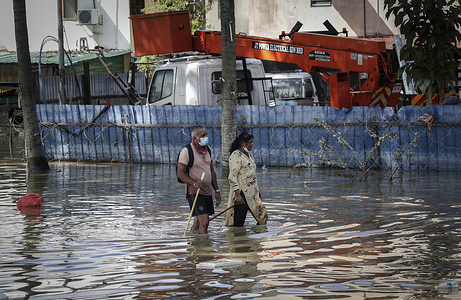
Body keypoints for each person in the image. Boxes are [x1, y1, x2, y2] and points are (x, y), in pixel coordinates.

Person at [177, 125, 221, 234]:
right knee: (204, 221)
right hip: (194, 191)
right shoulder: (186, 151)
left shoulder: (208, 150)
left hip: (207, 191)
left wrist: (217, 191)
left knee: (198, 221)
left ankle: (194, 241)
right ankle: (204, 247)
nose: (206, 137)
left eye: (206, 135)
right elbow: (180, 173)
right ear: (196, 138)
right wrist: (194, 183)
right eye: (203, 135)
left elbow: (211, 171)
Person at [225, 132, 267, 226]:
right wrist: (237, 195)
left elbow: (252, 174)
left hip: (252, 193)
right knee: (239, 222)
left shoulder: (249, 154)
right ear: (243, 143)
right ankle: (239, 239)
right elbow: (232, 177)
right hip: (242, 194)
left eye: (252, 142)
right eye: (250, 142)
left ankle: (257, 238)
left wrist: (257, 191)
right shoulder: (236, 156)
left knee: (262, 217)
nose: (252, 144)